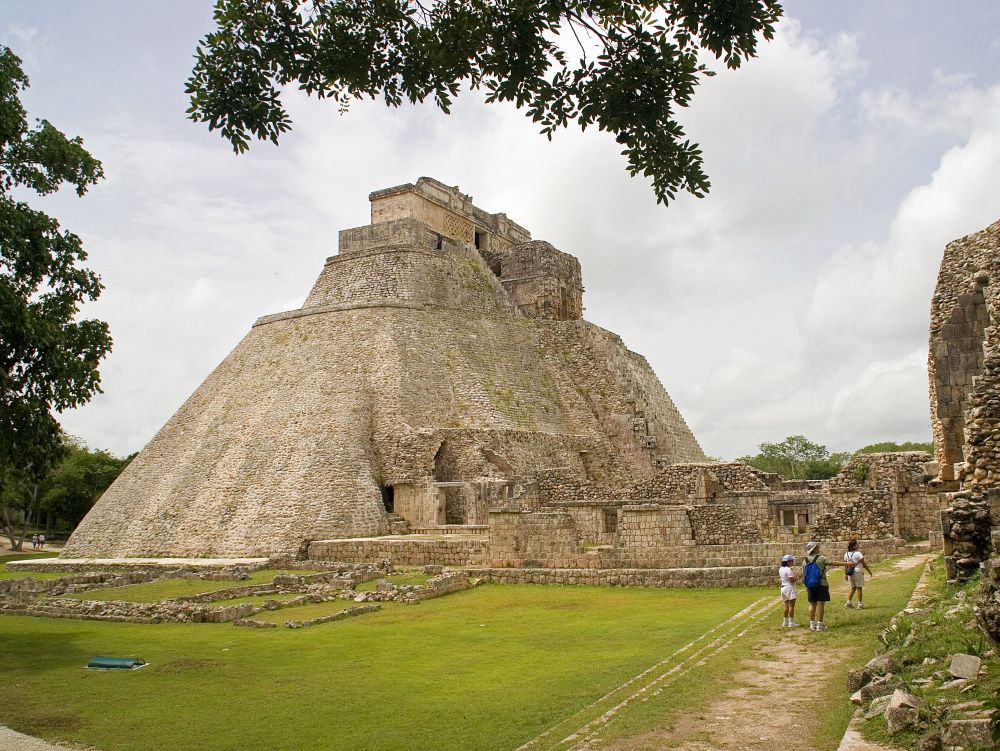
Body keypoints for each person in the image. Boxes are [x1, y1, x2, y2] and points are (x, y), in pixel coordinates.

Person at [802, 541, 851, 631]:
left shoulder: (805, 561)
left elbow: (804, 574)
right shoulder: (821, 558)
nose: (818, 548)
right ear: (815, 549)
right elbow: (834, 563)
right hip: (821, 584)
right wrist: (847, 564)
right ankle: (820, 624)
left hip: (810, 585)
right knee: (821, 604)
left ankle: (812, 624)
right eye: (817, 547)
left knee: (812, 604)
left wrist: (806, 586)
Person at [844, 539, 874, 609]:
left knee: (853, 588)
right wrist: (869, 571)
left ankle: (848, 603)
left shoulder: (846, 554)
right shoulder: (858, 553)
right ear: (853, 546)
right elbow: (864, 564)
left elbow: (845, 565)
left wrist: (845, 574)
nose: (858, 545)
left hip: (850, 572)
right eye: (856, 544)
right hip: (857, 571)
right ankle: (860, 604)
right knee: (859, 588)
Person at [779, 554, 799, 627]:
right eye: (791, 561)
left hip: (783, 587)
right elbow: (791, 580)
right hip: (789, 587)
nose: (793, 562)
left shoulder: (781, 569)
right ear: (788, 562)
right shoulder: (788, 569)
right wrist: (797, 578)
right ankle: (791, 622)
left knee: (786, 605)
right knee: (791, 606)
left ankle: (785, 622)